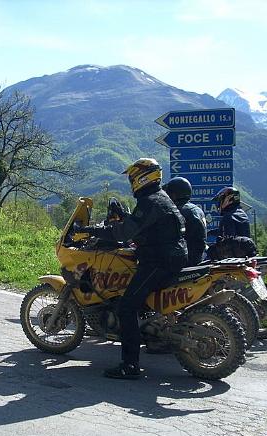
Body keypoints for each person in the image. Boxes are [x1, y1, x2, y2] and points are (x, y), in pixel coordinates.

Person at [79, 158, 188, 380]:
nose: (131, 182)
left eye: (132, 177)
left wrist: (91, 231)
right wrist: (125, 219)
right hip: (171, 257)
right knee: (137, 300)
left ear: (143, 177)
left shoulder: (150, 201)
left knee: (127, 307)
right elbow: (140, 226)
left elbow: (122, 233)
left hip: (159, 261)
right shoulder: (159, 198)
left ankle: (130, 366)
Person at [162, 176, 207, 265]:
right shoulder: (197, 209)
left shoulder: (179, 211)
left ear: (174, 194)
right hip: (198, 257)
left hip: (185, 260)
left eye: (168, 193)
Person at [208, 186, 257, 259]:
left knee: (209, 252)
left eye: (220, 200)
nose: (218, 204)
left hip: (233, 257)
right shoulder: (242, 214)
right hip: (245, 254)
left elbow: (226, 240)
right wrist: (210, 232)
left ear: (227, 199)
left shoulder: (228, 217)